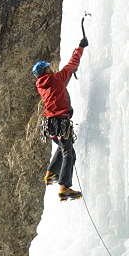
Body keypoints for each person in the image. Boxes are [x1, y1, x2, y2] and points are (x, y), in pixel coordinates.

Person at [32, 35, 89, 201]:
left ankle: (51, 173)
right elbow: (71, 64)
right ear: (46, 70)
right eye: (49, 68)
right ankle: (64, 187)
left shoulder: (42, 86)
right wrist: (81, 47)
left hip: (51, 125)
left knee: (66, 148)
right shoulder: (56, 78)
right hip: (60, 121)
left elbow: (60, 87)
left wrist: (68, 75)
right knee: (68, 153)